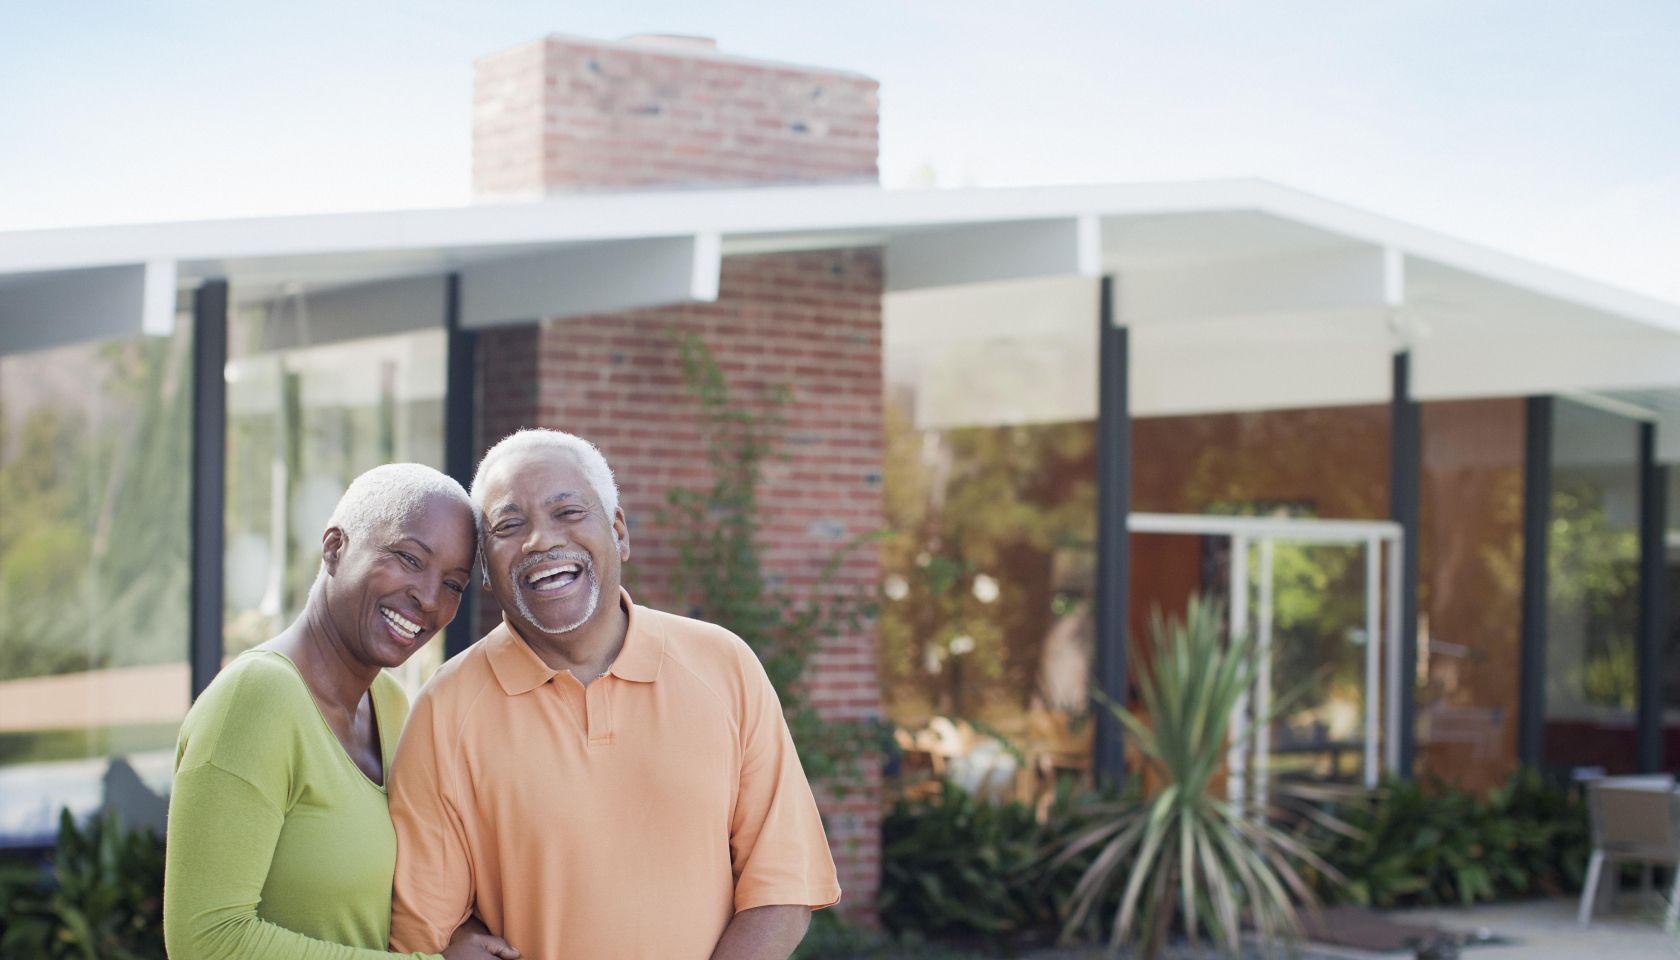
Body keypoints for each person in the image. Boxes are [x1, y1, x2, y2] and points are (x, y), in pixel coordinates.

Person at [389, 429, 840, 960]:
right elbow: (426, 932)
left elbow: (781, 886)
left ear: (619, 532)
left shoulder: (724, 665)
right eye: (510, 526)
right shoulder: (445, 711)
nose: (541, 541)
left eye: (568, 512)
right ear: (486, 570)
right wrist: (457, 941)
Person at [164, 464, 519, 960]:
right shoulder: (257, 698)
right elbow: (207, 941)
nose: (429, 597)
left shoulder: (392, 705)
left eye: (454, 585)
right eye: (409, 558)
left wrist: (453, 934)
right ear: (334, 548)